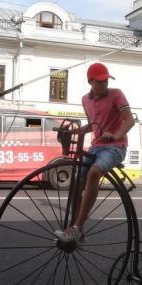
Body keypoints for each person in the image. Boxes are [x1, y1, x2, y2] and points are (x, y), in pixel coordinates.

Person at [54, 62, 135, 243]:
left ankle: (78, 228)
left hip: (115, 147)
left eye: (106, 80)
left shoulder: (117, 94)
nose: (104, 83)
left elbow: (129, 120)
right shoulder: (85, 100)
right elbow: (93, 124)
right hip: (96, 147)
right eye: (100, 81)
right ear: (90, 81)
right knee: (76, 183)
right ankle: (74, 231)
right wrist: (75, 132)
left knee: (94, 173)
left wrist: (115, 136)